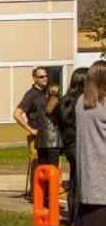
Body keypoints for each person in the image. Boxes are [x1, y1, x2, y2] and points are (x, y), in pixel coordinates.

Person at [73, 60, 106, 226]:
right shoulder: (103, 105)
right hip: (102, 162)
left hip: (87, 163)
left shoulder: (82, 102)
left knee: (87, 207)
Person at [53, 67, 88, 217]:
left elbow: (57, 122)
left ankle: (73, 215)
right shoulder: (83, 101)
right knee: (82, 181)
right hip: (81, 145)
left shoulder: (64, 101)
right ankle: (79, 215)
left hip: (69, 145)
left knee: (74, 179)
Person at [14, 67, 50, 201]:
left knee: (48, 166)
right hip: (36, 136)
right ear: (35, 79)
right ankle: (37, 195)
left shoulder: (45, 93)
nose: (45, 78)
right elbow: (17, 114)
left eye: (46, 76)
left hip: (48, 136)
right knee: (36, 166)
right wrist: (31, 129)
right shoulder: (31, 94)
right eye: (41, 77)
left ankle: (46, 193)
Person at [33, 83, 64, 203]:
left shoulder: (40, 103)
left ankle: (42, 199)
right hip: (54, 141)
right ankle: (52, 200)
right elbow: (62, 122)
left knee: (43, 171)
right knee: (53, 172)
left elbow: (36, 119)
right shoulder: (59, 105)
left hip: (41, 141)